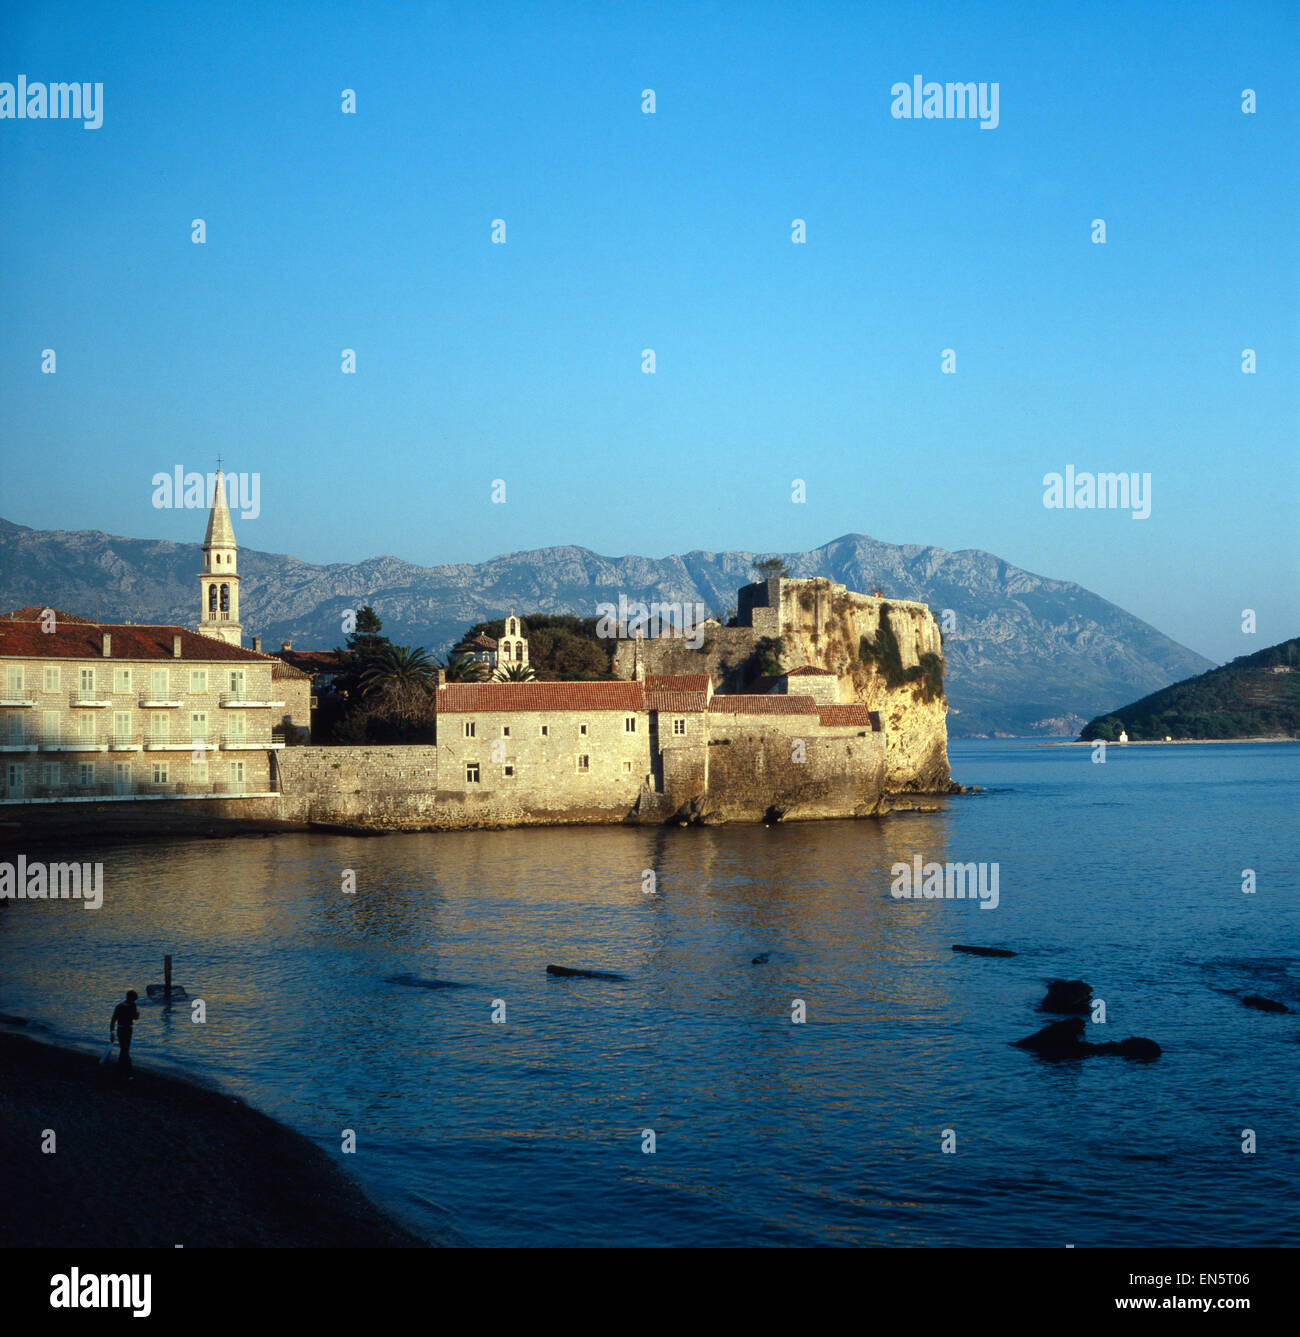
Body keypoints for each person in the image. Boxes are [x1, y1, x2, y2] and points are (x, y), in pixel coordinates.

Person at [110, 990, 139, 1080]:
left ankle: (118, 1070)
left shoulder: (133, 1005)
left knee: (124, 1051)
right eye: (132, 1000)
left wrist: (137, 1015)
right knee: (125, 1050)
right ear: (128, 998)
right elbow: (113, 1020)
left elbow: (134, 1017)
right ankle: (129, 1073)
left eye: (134, 1000)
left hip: (129, 1029)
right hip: (121, 1029)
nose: (133, 1002)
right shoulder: (119, 1007)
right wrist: (112, 1033)